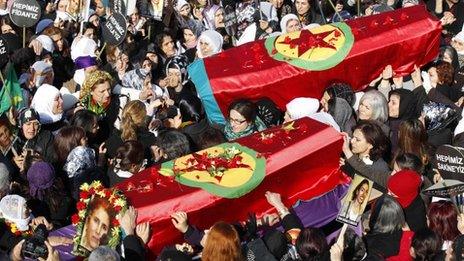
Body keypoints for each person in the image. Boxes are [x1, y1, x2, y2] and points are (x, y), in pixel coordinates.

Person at [341, 120, 391, 189]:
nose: (352, 141)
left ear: (371, 145)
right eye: (353, 137)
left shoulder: (380, 167)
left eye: (357, 140)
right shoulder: (352, 154)